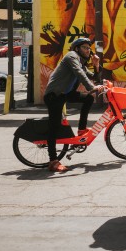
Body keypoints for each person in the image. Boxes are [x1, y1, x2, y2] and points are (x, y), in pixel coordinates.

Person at [43, 37, 105, 173]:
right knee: (54, 126)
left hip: (64, 94)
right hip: (54, 95)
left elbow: (93, 77)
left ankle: (82, 130)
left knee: (88, 99)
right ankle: (53, 161)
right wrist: (92, 87)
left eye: (89, 48)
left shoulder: (80, 63)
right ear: (77, 48)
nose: (88, 50)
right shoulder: (71, 56)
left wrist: (96, 65)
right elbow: (79, 73)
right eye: (85, 47)